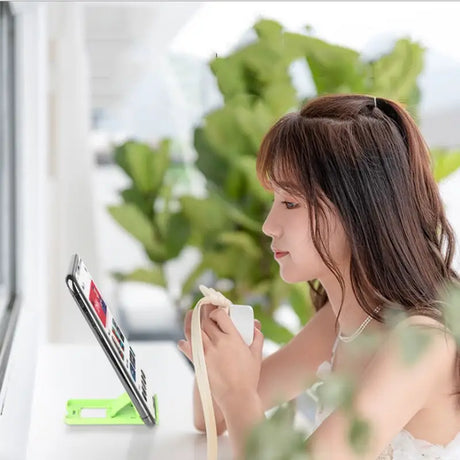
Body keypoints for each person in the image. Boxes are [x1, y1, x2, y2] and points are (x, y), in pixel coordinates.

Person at [177, 93, 460, 459]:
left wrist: (237, 391)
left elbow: (235, 404)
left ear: (359, 212)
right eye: (274, 200)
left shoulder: (422, 345)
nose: (268, 226)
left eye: (291, 203)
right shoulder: (342, 323)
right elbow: (210, 421)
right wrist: (215, 351)